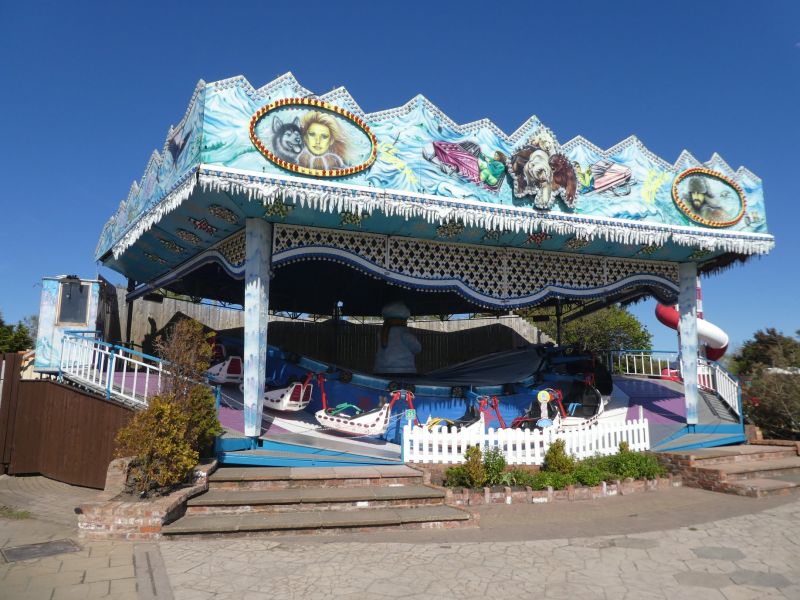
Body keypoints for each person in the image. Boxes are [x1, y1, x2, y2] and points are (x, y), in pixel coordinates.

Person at [373, 301, 422, 375]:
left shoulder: (382, 333)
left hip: (381, 370)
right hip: (404, 370)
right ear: (404, 320)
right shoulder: (405, 335)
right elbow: (417, 349)